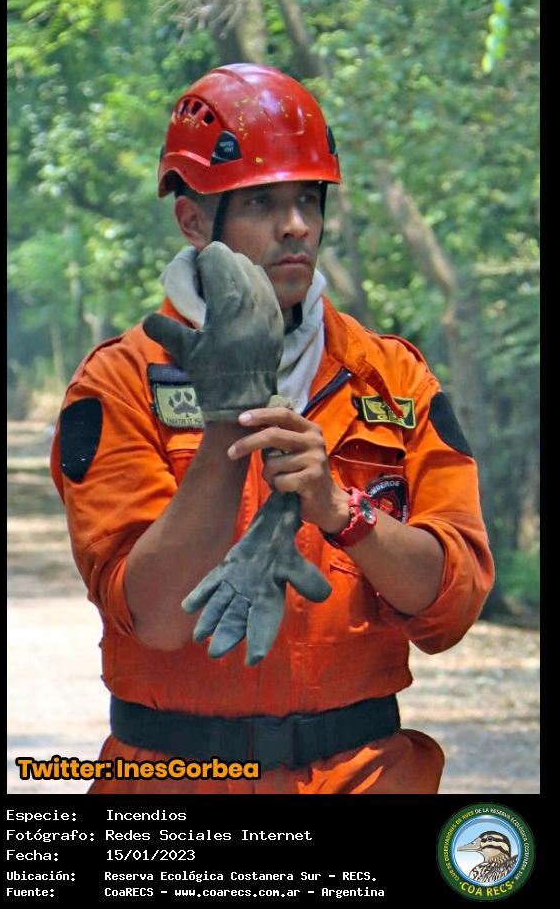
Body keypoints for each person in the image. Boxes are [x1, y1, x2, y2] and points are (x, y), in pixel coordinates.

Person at [50, 62, 494, 794]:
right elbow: (155, 616)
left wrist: (342, 512)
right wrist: (228, 420)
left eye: (308, 200)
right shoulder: (121, 382)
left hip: (361, 776)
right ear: (193, 220)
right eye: (261, 202)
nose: (296, 226)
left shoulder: (389, 378)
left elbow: (452, 608)